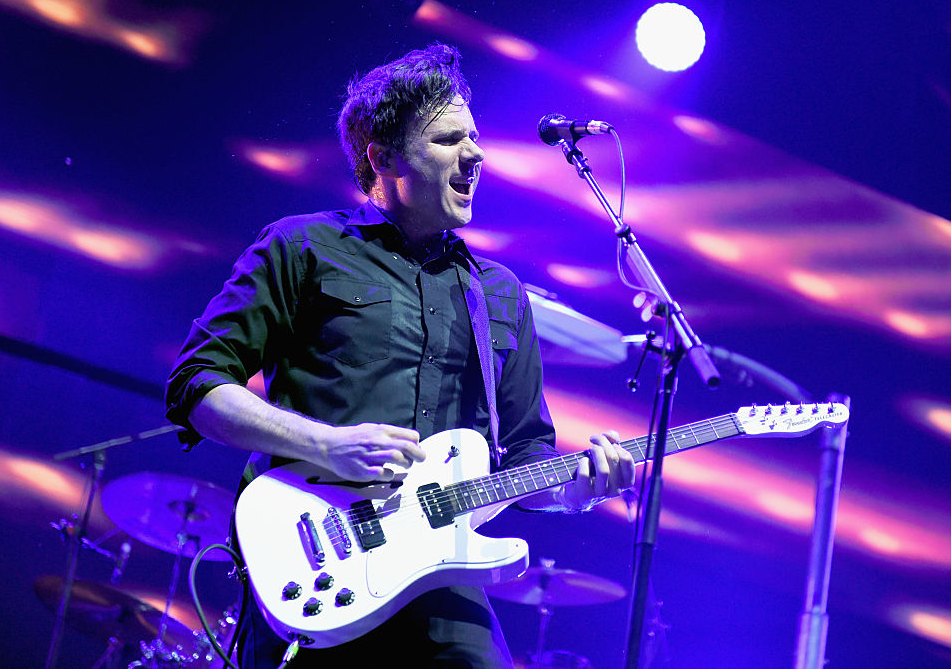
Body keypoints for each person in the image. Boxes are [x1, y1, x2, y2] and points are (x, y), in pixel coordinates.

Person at [165, 42, 636, 668]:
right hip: (317, 562)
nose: (475, 154)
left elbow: (526, 453)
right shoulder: (303, 246)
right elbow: (197, 384)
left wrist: (576, 490)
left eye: (474, 137)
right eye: (448, 139)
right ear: (382, 157)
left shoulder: (500, 293)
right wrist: (327, 444)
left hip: (441, 574)